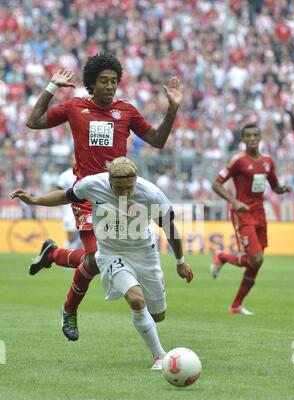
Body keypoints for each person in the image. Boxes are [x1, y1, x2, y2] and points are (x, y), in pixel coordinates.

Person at [26, 51, 183, 336]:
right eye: (104, 81)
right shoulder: (75, 108)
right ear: (91, 83)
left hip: (118, 197)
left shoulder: (127, 111)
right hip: (87, 194)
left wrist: (172, 110)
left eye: (114, 81)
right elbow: (34, 121)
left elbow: (157, 141)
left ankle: (53, 255)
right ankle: (69, 310)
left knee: (95, 260)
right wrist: (51, 88)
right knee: (98, 256)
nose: (110, 86)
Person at [11, 157, 193, 370]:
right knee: (135, 299)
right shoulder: (92, 185)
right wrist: (34, 200)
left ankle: (53, 254)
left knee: (158, 316)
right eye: (119, 188)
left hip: (144, 253)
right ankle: (159, 357)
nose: (124, 193)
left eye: (129, 188)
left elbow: (169, 229)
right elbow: (66, 196)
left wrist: (180, 261)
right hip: (111, 253)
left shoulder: (152, 194)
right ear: (109, 181)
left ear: (136, 180)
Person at [211, 124, 292, 315]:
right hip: (243, 213)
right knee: (256, 259)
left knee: (257, 262)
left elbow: (275, 186)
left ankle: (236, 306)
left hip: (260, 214)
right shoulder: (237, 161)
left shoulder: (267, 161)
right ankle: (221, 257)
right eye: (249, 136)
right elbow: (216, 184)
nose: (253, 138)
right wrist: (234, 201)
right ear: (243, 139)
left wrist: (283, 189)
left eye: (256, 135)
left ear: (261, 137)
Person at [57, 156, 82, 250]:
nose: (75, 160)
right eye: (72, 158)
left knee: (82, 236)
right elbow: (59, 190)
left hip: (83, 209)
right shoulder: (65, 175)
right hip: (69, 210)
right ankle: (68, 259)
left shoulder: (84, 173)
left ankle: (78, 259)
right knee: (71, 237)